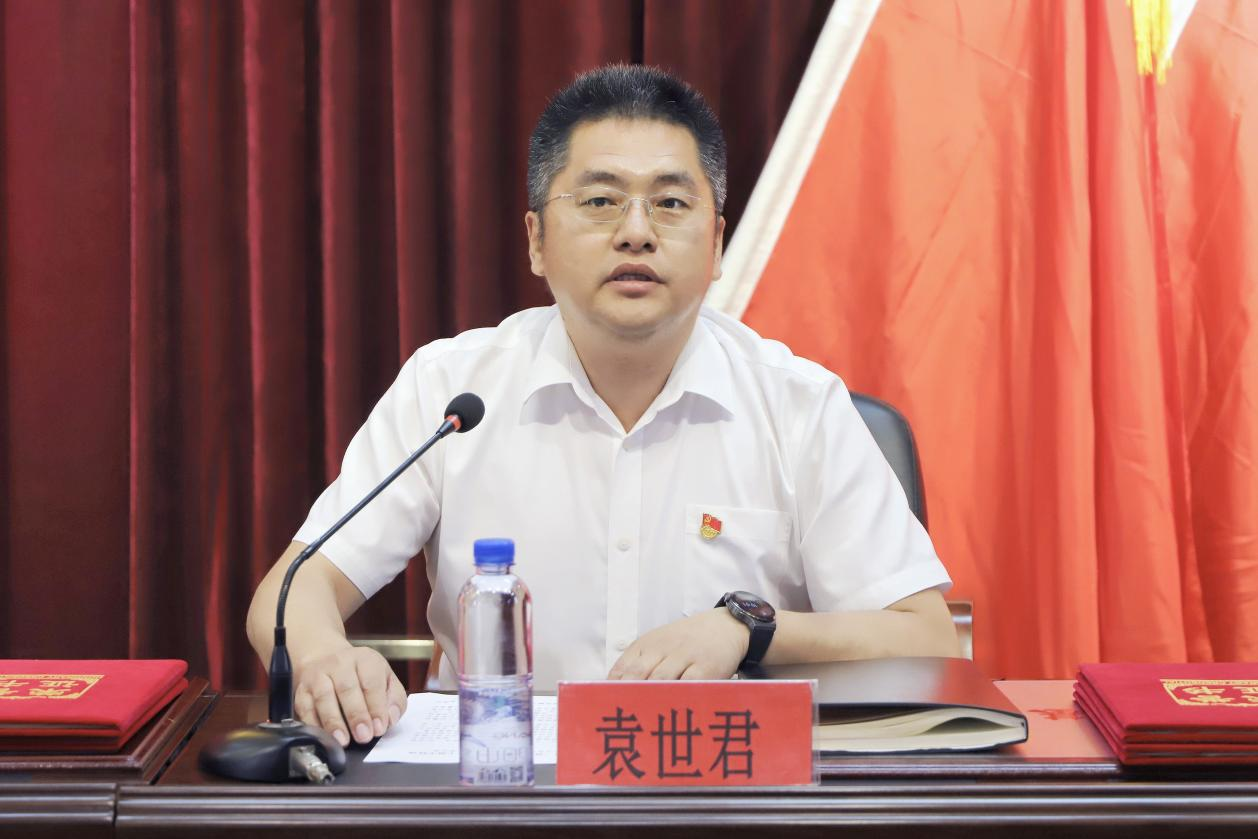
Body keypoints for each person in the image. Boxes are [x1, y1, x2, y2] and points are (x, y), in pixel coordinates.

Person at [247, 64, 959, 750]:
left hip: (725, 785)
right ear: (536, 241)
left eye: (671, 203)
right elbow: (294, 589)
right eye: (600, 201)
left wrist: (749, 629)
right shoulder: (452, 392)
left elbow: (927, 636)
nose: (636, 231)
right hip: (501, 786)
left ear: (716, 244)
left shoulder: (798, 406)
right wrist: (321, 656)